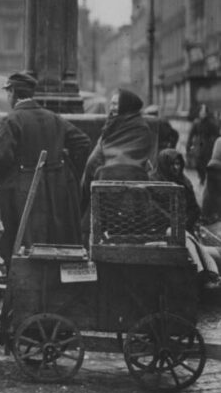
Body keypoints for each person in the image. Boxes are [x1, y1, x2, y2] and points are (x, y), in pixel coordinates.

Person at [0, 72, 91, 265]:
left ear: (13, 92)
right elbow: (83, 143)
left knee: (22, 243)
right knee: (53, 241)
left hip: (21, 191)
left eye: (8, 92)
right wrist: (63, 168)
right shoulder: (54, 118)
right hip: (55, 189)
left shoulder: (12, 120)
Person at [81, 89, 157, 219]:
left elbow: (92, 162)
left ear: (126, 105)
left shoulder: (113, 127)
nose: (112, 108)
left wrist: (83, 198)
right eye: (111, 104)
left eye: (116, 104)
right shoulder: (142, 128)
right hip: (136, 188)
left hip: (107, 183)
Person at [151, 148, 221, 287]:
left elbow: (194, 209)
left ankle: (209, 273)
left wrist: (185, 222)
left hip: (184, 229)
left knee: (188, 239)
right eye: (172, 164)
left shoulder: (184, 181)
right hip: (161, 230)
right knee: (181, 236)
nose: (176, 167)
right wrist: (174, 222)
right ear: (164, 165)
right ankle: (207, 273)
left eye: (178, 164)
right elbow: (154, 209)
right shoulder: (154, 181)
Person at [187, 103, 219, 186]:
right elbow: (191, 134)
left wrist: (212, 142)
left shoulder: (211, 123)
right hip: (198, 145)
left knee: (206, 163)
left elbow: (216, 134)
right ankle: (201, 177)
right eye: (201, 112)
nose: (203, 113)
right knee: (197, 163)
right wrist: (189, 145)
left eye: (204, 112)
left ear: (206, 113)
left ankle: (205, 179)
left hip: (208, 146)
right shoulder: (196, 122)